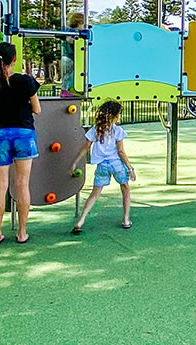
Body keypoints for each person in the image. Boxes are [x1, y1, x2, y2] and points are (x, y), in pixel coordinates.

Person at [0, 41, 41, 247]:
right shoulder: (26, 81)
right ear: (14, 60)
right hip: (24, 133)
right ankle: (21, 232)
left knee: (0, 187)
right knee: (22, 185)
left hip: (0, 134)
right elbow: (37, 109)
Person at [70, 100, 136, 234]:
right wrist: (130, 168)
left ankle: (81, 221)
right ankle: (126, 219)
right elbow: (121, 152)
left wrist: (75, 162)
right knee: (125, 188)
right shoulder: (118, 130)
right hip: (116, 164)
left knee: (95, 193)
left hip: (102, 166)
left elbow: (86, 148)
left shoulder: (95, 129)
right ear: (115, 116)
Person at [60, 12, 85, 98]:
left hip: (71, 57)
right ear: (79, 23)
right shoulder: (71, 31)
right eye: (83, 24)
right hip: (67, 57)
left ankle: (71, 89)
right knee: (66, 75)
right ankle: (64, 90)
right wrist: (77, 41)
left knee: (71, 74)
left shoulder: (76, 31)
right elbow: (68, 39)